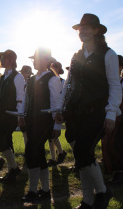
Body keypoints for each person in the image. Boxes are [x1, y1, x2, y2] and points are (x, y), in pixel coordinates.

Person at [55, 13, 122, 209]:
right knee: (80, 156)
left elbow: (115, 85)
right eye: (80, 28)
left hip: (97, 111)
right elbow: (68, 84)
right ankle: (87, 200)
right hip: (75, 112)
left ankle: (102, 191)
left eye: (86, 27)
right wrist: (60, 107)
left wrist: (111, 113)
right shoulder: (76, 56)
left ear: (96, 30)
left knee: (84, 151)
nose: (82, 31)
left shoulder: (108, 54)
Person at [19, 47, 62, 202]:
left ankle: (32, 191)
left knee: (31, 152)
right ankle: (45, 191)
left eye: (36, 58)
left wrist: (57, 126)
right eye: (33, 59)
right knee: (39, 155)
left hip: (45, 122)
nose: (34, 61)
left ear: (45, 60)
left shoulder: (53, 78)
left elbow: (57, 104)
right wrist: (21, 115)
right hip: (31, 121)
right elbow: (25, 99)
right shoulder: (31, 79)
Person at [0, 49, 25, 182]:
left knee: (0, 140)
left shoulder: (18, 76)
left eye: (3, 58)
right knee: (7, 142)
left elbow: (21, 97)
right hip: (1, 115)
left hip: (11, 114)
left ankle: (14, 168)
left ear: (10, 60)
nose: (0, 61)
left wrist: (20, 115)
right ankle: (12, 171)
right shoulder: (2, 78)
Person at [101, 55, 123, 183]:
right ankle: (114, 169)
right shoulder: (116, 82)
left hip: (120, 117)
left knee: (117, 143)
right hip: (116, 116)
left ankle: (119, 172)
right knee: (111, 142)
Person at [47, 61, 67, 166]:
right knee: (50, 136)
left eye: (54, 67)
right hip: (51, 110)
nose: (52, 68)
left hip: (60, 111)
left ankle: (61, 153)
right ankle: (54, 157)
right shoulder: (50, 79)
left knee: (54, 135)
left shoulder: (62, 81)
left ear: (59, 68)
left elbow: (61, 98)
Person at [19, 65, 34, 145]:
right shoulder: (21, 83)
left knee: (28, 132)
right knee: (24, 131)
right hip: (21, 108)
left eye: (25, 73)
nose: (23, 74)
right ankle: (27, 150)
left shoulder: (31, 83)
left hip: (29, 109)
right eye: (23, 73)